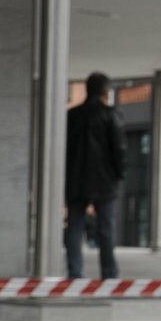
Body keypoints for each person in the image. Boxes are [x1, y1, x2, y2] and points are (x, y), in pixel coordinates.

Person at [64, 72, 126, 279]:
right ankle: (108, 273)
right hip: (104, 180)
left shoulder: (72, 115)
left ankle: (75, 272)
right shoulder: (111, 114)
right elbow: (119, 148)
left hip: (75, 178)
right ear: (105, 91)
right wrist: (119, 173)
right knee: (106, 228)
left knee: (75, 226)